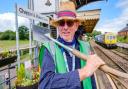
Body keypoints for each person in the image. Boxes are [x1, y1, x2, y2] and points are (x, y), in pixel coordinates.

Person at [39, 1, 105, 89]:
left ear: (76, 26)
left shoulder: (86, 47)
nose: (65, 27)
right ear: (58, 26)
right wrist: (84, 72)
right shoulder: (49, 48)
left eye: (69, 22)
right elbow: (45, 84)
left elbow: (91, 78)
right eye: (62, 23)